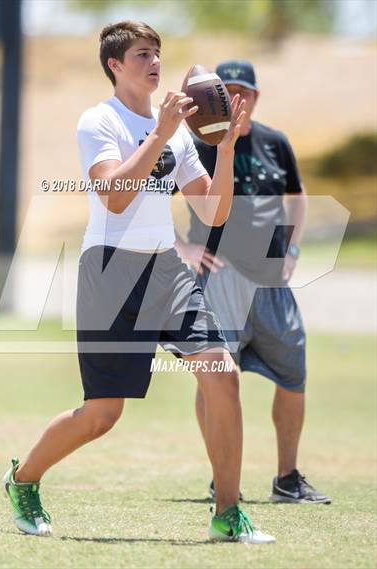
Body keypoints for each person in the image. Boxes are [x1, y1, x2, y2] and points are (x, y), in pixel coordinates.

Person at [2, 24, 276, 542]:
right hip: (109, 270)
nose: (154, 63)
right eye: (142, 54)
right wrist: (160, 131)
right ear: (115, 65)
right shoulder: (98, 120)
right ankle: (23, 480)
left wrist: (224, 147)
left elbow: (213, 211)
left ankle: (227, 512)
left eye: (157, 54)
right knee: (103, 414)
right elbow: (114, 196)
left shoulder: (176, 127)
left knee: (222, 374)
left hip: (166, 269)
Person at [176, 60, 330, 504]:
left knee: (293, 376)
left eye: (245, 91)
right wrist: (181, 247)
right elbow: (146, 197)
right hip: (220, 278)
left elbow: (297, 197)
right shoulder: (197, 144)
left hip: (271, 283)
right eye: (226, 92)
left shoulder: (274, 142)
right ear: (213, 99)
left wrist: (294, 250)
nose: (236, 99)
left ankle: (287, 478)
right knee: (216, 379)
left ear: (257, 97)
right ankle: (220, 479)